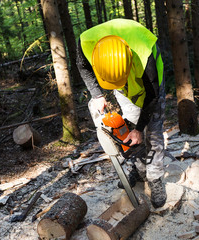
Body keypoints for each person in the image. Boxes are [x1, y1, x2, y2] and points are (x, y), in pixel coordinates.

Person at [76, 18, 167, 208]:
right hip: (123, 82)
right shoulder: (86, 42)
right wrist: (97, 94)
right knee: (130, 127)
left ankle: (155, 179)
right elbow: (82, 66)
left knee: (154, 132)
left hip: (149, 85)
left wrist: (141, 128)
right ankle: (139, 168)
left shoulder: (144, 52)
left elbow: (152, 97)